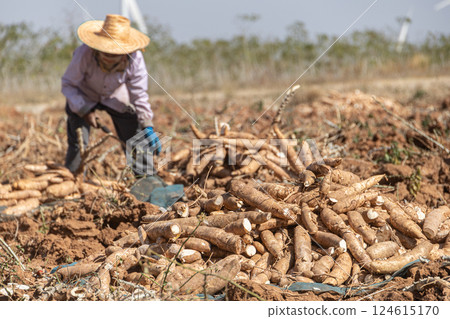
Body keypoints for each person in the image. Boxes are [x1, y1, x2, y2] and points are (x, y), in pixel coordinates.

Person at [61, 14, 161, 174]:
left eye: (115, 53)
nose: (109, 57)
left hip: (116, 97)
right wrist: (84, 110)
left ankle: (145, 177)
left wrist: (147, 125)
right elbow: (69, 84)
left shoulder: (135, 59)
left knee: (135, 135)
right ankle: (73, 178)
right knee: (78, 142)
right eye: (106, 52)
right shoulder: (84, 53)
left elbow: (139, 94)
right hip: (83, 95)